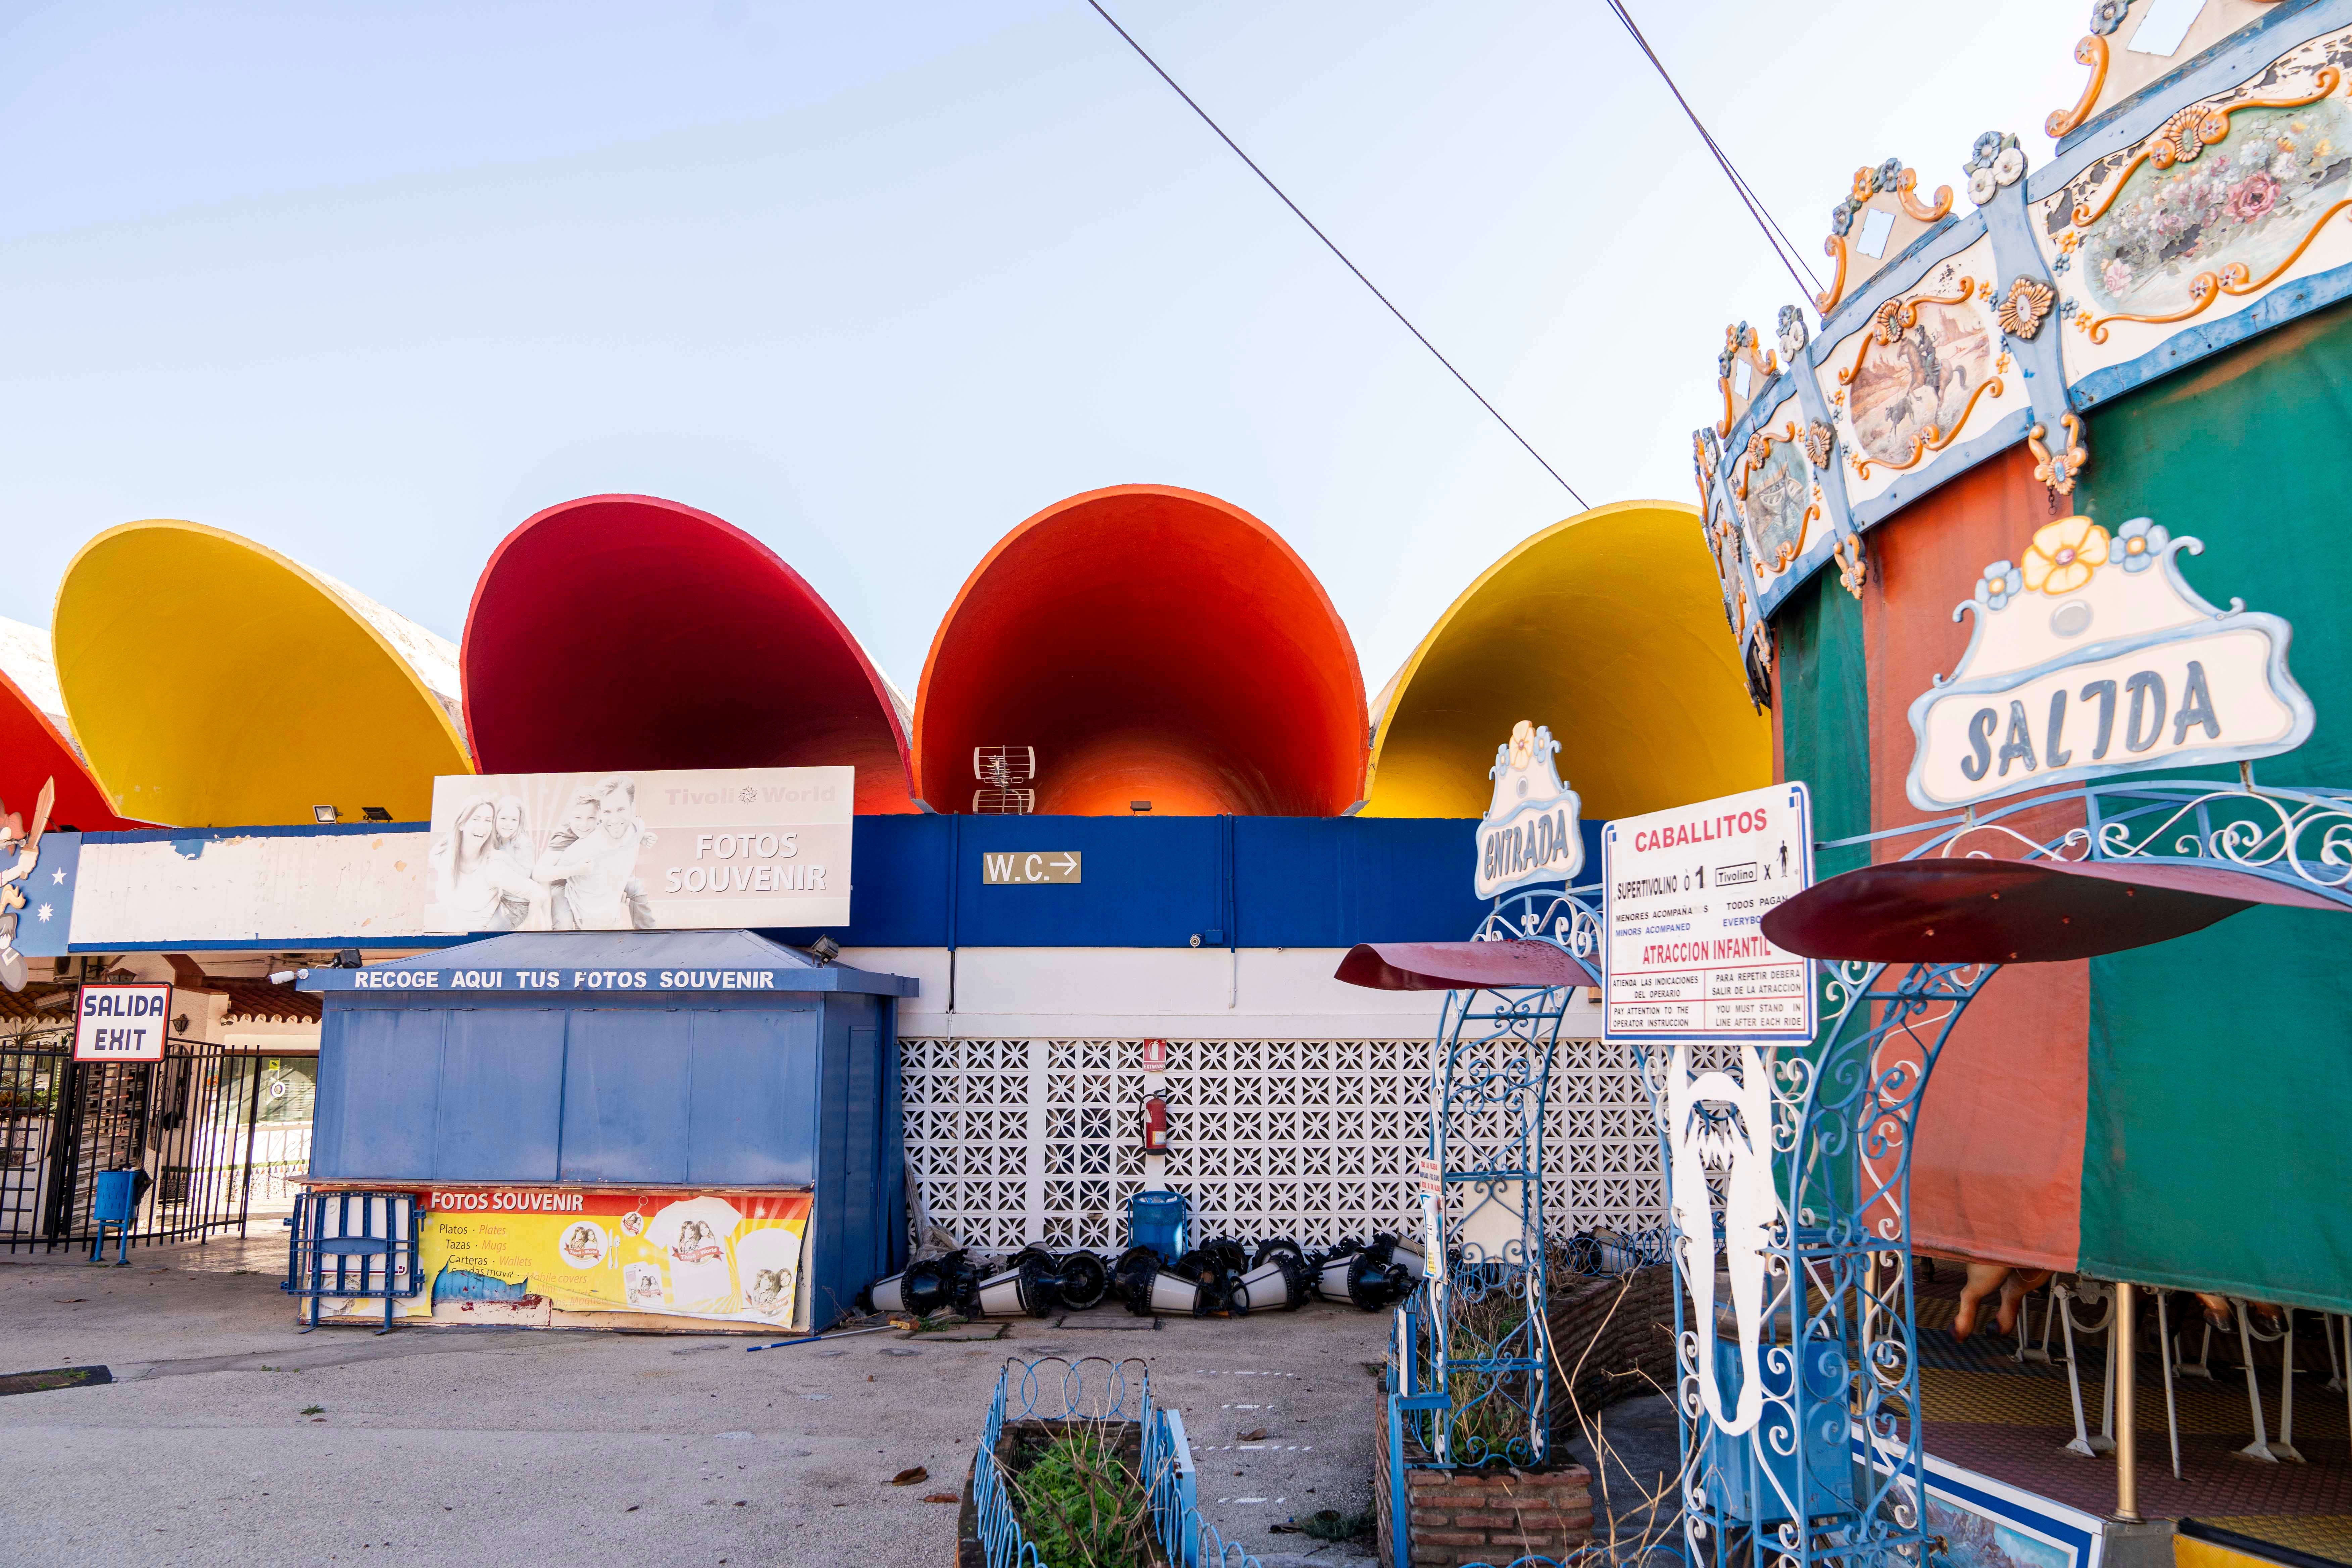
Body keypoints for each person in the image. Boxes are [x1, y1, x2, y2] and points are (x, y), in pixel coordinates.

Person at [431, 796, 535, 931]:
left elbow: (526, 875)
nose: (508, 824)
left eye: (514, 820)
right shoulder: (496, 839)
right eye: (503, 819)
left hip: (517, 906)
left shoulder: (522, 844)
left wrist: (505, 859)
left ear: (520, 823)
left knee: (487, 934)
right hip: (503, 900)